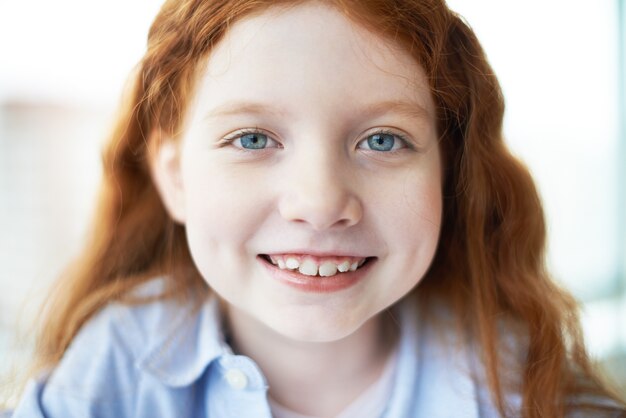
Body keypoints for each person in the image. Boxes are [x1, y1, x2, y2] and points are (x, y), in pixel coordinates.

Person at [9, 0, 626, 417]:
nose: (321, 202)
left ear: (450, 175)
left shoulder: (519, 386)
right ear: (175, 180)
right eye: (253, 139)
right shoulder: (116, 365)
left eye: (382, 140)